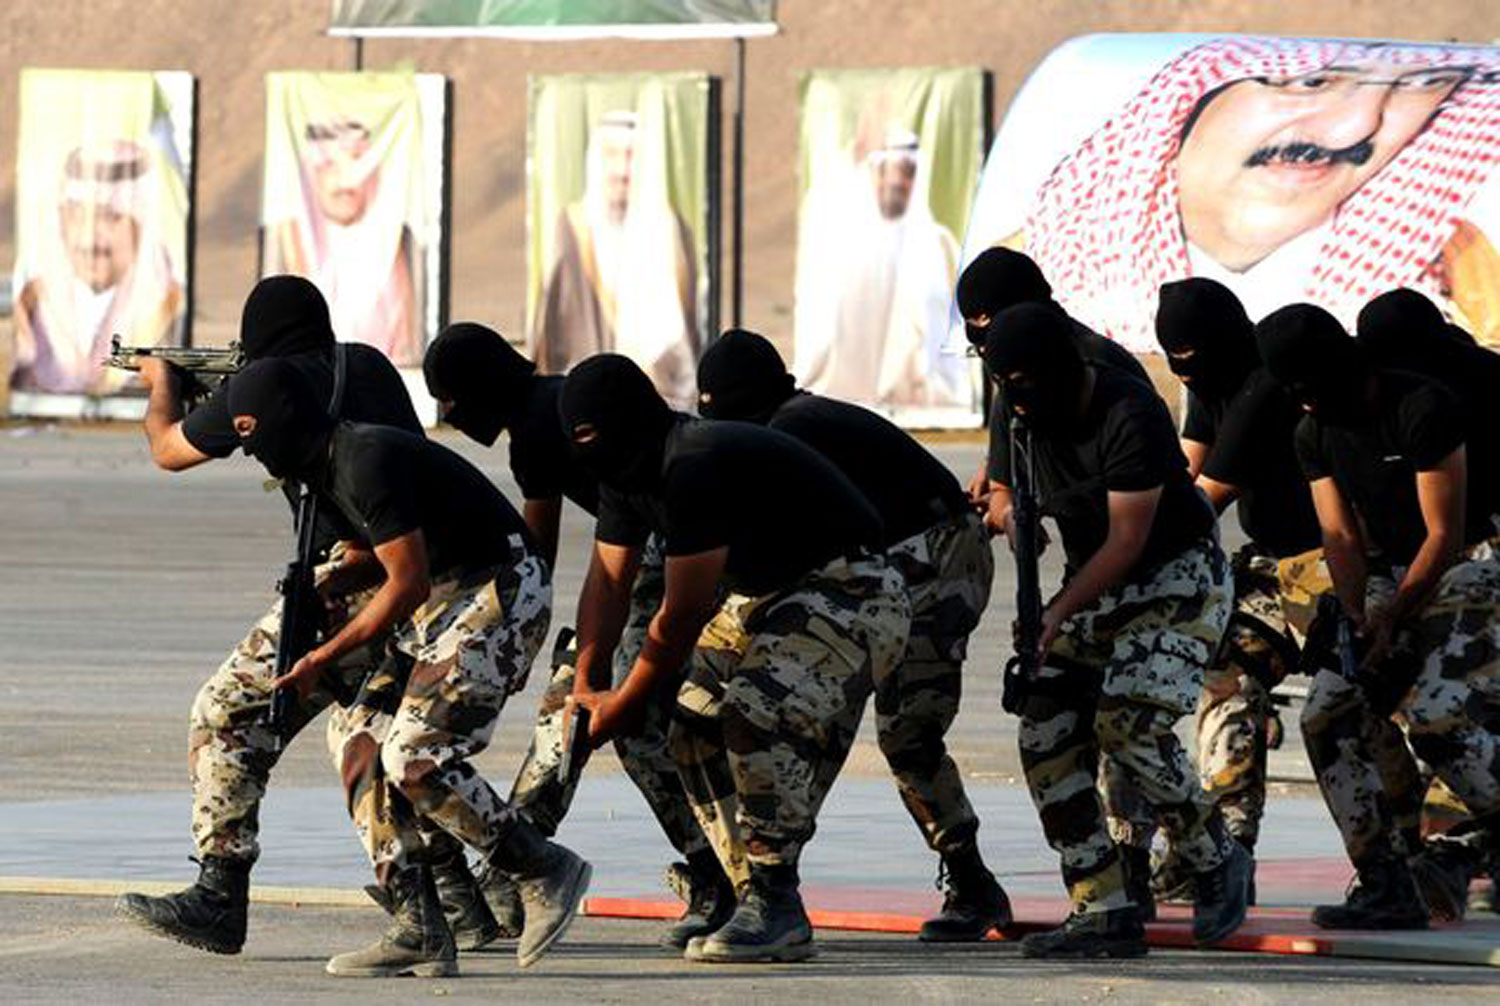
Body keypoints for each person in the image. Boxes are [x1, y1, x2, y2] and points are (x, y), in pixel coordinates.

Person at [115, 277, 503, 959]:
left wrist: (160, 383)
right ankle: (453, 899)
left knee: (227, 712)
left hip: (344, 582)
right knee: (366, 735)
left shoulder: (262, 383)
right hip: (415, 571)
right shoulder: (370, 365)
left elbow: (168, 450)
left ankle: (220, 890)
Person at [223, 358, 588, 976]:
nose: (256, 456)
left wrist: (321, 658)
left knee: (416, 756)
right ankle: (417, 920)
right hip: (446, 595)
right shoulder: (323, 470)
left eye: (255, 437)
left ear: (284, 424)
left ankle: (543, 867)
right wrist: (335, 579)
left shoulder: (362, 459)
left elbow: (407, 583)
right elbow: (385, 558)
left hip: (495, 590)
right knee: (356, 737)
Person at [560, 354, 910, 963]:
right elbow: (608, 582)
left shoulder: (690, 463)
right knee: (688, 724)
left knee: (752, 713)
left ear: (623, 422)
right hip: (766, 594)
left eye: (589, 435)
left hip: (852, 586)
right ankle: (740, 886)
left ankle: (777, 902)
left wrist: (623, 700)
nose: (583, 451)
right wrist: (589, 682)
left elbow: (680, 618)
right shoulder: (624, 471)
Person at [695, 328, 1010, 942]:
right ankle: (767, 884)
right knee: (817, 719)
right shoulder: (784, 421)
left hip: (937, 562)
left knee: (906, 732)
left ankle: (972, 882)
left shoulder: (794, 429)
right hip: (876, 570)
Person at [422, 323, 725, 947]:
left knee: (596, 716)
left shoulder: (536, 430)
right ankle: (520, 860)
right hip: (645, 558)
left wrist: (520, 636)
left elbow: (535, 551)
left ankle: (707, 873)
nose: (447, 413)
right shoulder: (548, 405)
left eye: (448, 398)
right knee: (579, 713)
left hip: (659, 562)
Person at [983, 303, 1250, 958]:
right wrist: (1014, 521)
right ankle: (1101, 905)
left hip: (1176, 580)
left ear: (1061, 370)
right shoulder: (1022, 414)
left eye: (1024, 381)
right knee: (1044, 729)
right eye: (1004, 383)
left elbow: (1129, 541)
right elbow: (1005, 498)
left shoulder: (1127, 411)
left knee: (1127, 724)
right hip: (1092, 583)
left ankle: (1215, 858)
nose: (1015, 398)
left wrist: (1054, 614)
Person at [1257, 304, 1500, 929]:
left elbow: (1444, 534)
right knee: (1326, 715)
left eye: (1311, 389)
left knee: (1438, 715)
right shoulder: (1312, 430)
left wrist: (1393, 617)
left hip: (1469, 563)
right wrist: (1360, 618)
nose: (1305, 404)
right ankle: (1386, 880)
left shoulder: (1422, 408)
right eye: (1294, 393)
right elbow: (1338, 535)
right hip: (1387, 575)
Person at [1019, 38, 1500, 349]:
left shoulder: (1462, 265)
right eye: (1310, 85)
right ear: (1185, 105)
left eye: (1417, 90)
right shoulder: (1042, 253)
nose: (1355, 126)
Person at [1141, 278, 1334, 904]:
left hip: (1335, 565)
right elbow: (1179, 470)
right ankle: (1225, 849)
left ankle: (1434, 850)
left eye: (1191, 361)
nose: (1185, 374)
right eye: (1175, 362)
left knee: (1367, 708)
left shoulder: (1264, 388)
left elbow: (1201, 502)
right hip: (1273, 567)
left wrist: (1121, 535)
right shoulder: (1210, 384)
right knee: (1226, 679)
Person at [530, 110, 700, 406]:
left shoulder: (669, 228)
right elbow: (553, 328)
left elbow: (682, 334)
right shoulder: (572, 226)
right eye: (611, 155)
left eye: (632, 157)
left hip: (660, 398)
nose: (622, 170)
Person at [794, 125, 967, 408]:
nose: (897, 182)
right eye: (890, 170)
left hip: (919, 410)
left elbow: (948, 344)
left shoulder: (937, 245)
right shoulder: (838, 248)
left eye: (907, 171)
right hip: (841, 405)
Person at [13, 139, 185, 395]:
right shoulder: (32, 302)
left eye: (111, 217)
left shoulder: (167, 306)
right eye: (78, 216)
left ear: (142, 228)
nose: (91, 238)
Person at [264, 116, 421, 365]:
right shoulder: (290, 259)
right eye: (329, 165)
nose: (345, 180)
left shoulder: (398, 267)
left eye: (357, 162)